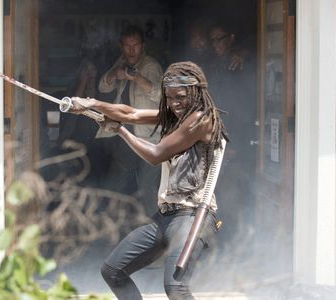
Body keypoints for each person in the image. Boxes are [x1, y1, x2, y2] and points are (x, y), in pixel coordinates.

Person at [72, 61, 229, 300]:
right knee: (113, 271)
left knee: (175, 287)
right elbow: (131, 113)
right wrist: (90, 104)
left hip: (191, 216)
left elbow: (156, 155)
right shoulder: (177, 117)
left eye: (181, 97)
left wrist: (121, 131)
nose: (174, 104)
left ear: (196, 93)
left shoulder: (201, 119)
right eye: (169, 98)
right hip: (167, 217)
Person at [98, 25, 164, 214]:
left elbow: (161, 96)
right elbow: (103, 87)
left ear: (143, 46)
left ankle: (158, 232)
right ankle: (109, 227)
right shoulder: (121, 62)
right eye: (127, 46)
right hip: (125, 136)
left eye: (135, 45)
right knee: (115, 184)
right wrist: (114, 74)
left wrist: (136, 78)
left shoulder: (150, 66)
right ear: (121, 47)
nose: (131, 50)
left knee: (147, 187)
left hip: (148, 138)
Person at [208, 22, 257, 253]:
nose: (215, 44)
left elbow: (244, 107)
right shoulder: (219, 64)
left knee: (232, 195)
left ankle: (234, 248)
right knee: (219, 196)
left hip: (234, 139)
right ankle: (223, 244)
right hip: (219, 137)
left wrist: (234, 141)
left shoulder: (239, 62)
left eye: (219, 39)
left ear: (232, 37)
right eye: (213, 40)